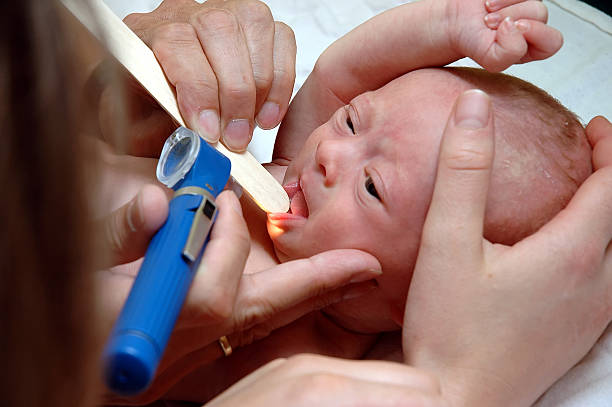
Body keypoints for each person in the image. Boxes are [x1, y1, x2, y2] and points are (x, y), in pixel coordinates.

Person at [3, 2, 612, 407]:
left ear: (420, 294)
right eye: (350, 122)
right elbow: (342, 70)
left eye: (372, 188)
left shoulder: (331, 345)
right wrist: (453, 25)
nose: (329, 156)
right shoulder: (287, 175)